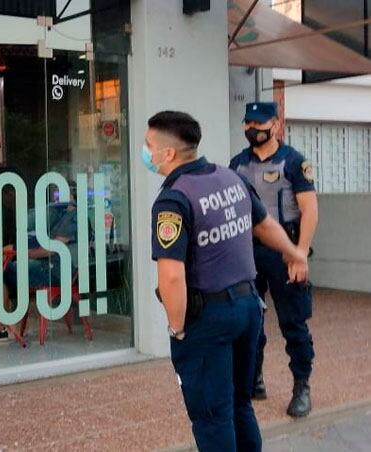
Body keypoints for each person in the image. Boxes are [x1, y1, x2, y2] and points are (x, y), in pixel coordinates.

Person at [145, 111, 308, 452]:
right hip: (248, 309)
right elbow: (264, 226)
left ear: (169, 153)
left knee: (211, 417)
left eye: (149, 146)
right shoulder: (230, 178)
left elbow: (172, 275)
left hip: (209, 321)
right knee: (239, 404)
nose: (146, 153)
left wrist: (177, 329)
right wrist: (294, 252)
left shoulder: (173, 198)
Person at [230, 102, 318, 417]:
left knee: (293, 321)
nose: (253, 128)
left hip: (285, 250)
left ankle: (302, 386)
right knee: (248, 319)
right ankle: (254, 379)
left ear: (275, 125)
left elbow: (310, 210)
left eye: (259, 122)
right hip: (247, 250)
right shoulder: (237, 164)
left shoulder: (294, 162)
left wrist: (300, 254)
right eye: (248, 122)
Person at [0, 198, 78, 343]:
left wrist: (25, 253)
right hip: (48, 266)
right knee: (0, 270)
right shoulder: (61, 215)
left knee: (1, 271)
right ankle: (2, 322)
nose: (57, 198)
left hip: (56, 271)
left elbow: (53, 248)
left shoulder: (72, 217)